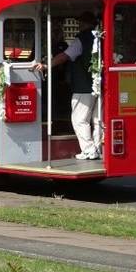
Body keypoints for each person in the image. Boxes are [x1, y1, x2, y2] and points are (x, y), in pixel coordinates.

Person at [34, 10, 102, 160]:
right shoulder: (100, 38)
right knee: (97, 120)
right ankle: (98, 148)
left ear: (83, 24)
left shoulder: (81, 39)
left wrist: (46, 65)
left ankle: (89, 150)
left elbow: (65, 56)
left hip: (83, 86)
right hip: (100, 86)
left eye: (80, 23)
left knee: (79, 119)